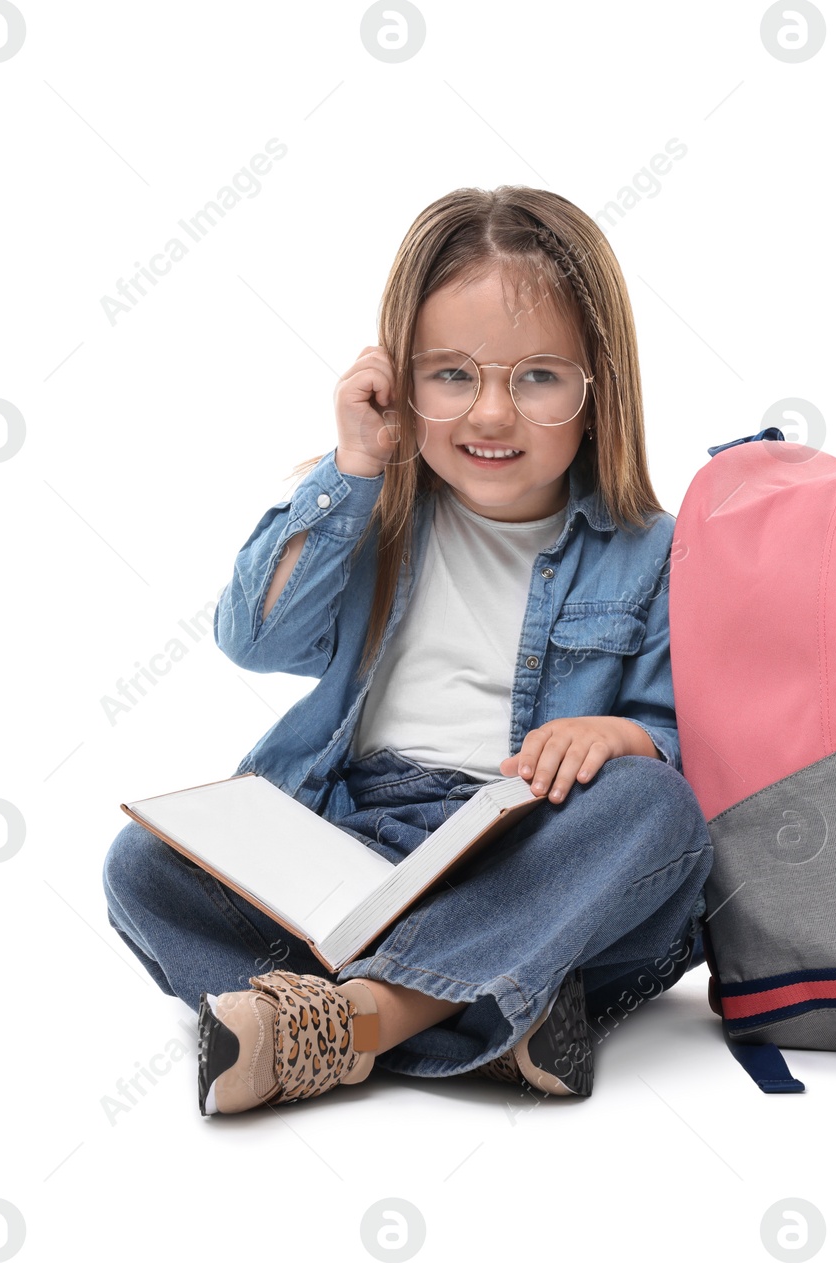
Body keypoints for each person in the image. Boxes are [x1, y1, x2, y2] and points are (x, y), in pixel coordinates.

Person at [101, 186, 714, 1116]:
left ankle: (351, 1024)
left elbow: (682, 736)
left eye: (539, 376)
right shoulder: (372, 511)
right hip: (355, 833)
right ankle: (488, 1016)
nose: (492, 413)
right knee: (139, 868)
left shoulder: (655, 551)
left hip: (522, 847)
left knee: (654, 812)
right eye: (453, 375)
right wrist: (351, 470)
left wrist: (623, 739)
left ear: (599, 392)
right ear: (401, 379)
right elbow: (255, 637)